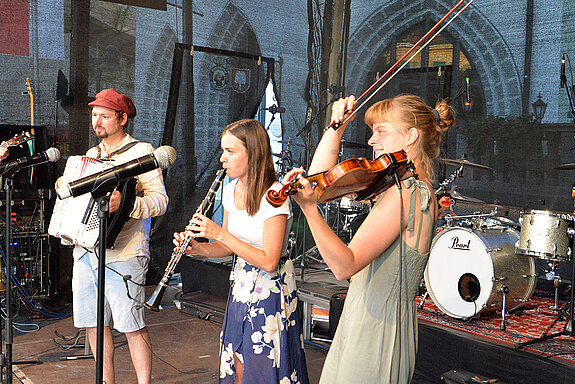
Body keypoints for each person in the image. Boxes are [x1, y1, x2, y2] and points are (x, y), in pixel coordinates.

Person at [283, 94, 454, 383]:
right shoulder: (413, 189)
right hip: (385, 326)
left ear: (411, 136)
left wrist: (310, 210)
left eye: (381, 131)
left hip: (375, 333)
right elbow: (318, 181)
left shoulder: (406, 194)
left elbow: (343, 266)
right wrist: (336, 127)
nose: (372, 141)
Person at [173, 119, 309, 384]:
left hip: (271, 289)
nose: (223, 159)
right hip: (242, 283)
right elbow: (226, 248)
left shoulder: (275, 197)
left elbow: (269, 261)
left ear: (253, 153)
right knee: (236, 356)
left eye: (230, 152)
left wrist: (219, 234)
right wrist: (195, 248)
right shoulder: (230, 189)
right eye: (223, 151)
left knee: (263, 360)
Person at [56, 89, 168, 384]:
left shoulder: (141, 153)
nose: (97, 121)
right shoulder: (89, 157)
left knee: (131, 325)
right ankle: (106, 381)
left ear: (123, 118)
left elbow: (160, 201)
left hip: (126, 252)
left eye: (104, 115)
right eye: (94, 115)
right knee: (94, 323)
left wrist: (128, 204)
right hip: (86, 251)